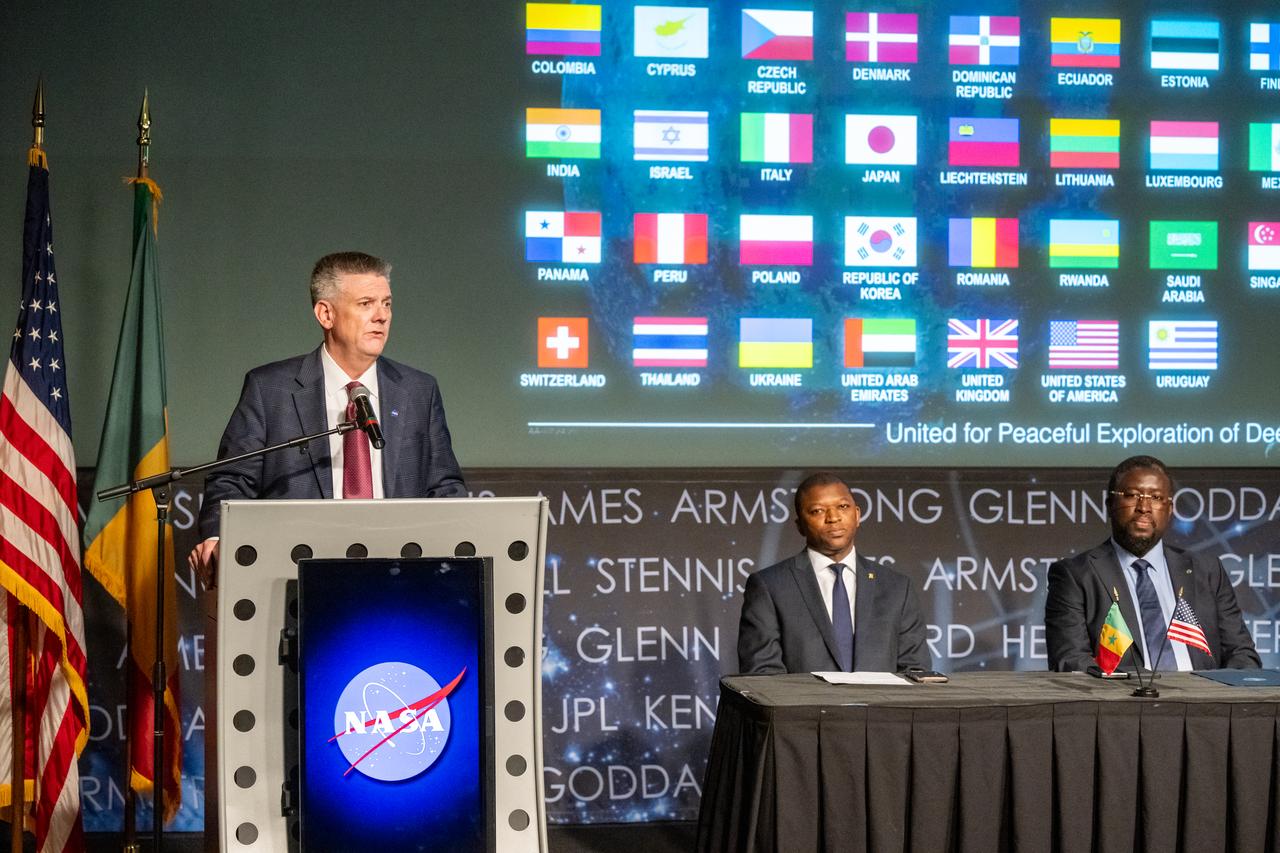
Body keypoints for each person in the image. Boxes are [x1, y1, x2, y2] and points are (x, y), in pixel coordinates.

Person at [187, 251, 466, 585]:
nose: (381, 316)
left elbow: (445, 487)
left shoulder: (419, 390)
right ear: (325, 313)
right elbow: (232, 480)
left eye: (387, 304)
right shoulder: (270, 389)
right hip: (295, 575)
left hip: (399, 578)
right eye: (366, 303)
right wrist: (219, 541)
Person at [1045, 455, 1260, 673]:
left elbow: (1241, 654)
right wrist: (1144, 691)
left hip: (1204, 700)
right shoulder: (1075, 575)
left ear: (1170, 509)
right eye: (1131, 495)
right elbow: (1071, 660)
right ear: (1110, 505)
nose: (1144, 507)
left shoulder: (1206, 570)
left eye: (1156, 497)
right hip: (1122, 702)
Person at [737, 472, 930, 674]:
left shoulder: (897, 587)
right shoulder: (770, 586)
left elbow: (915, 671)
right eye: (818, 511)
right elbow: (762, 673)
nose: (833, 518)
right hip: (807, 705)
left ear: (857, 515)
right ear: (800, 525)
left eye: (843, 507)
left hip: (880, 705)